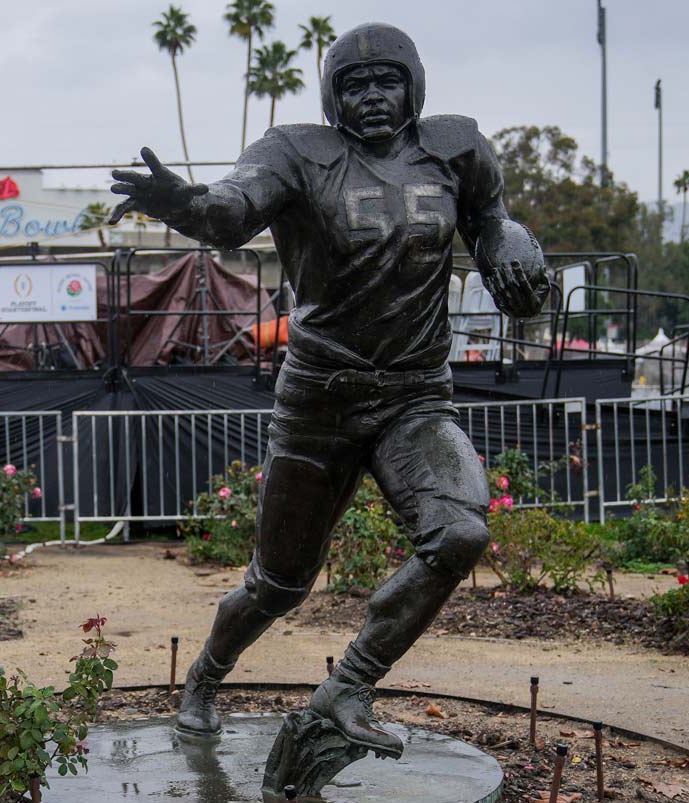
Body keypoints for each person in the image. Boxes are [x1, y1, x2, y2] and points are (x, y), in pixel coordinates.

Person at [109, 23, 547, 763]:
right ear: (330, 93)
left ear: (414, 86)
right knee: (278, 585)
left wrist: (511, 250)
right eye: (353, 83)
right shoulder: (295, 152)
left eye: (387, 81)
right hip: (319, 400)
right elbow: (230, 212)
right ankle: (204, 680)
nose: (372, 96)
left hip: (413, 398)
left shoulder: (456, 148)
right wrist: (179, 201)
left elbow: (490, 220)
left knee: (461, 531)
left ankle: (348, 686)